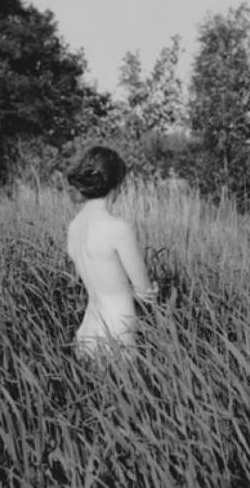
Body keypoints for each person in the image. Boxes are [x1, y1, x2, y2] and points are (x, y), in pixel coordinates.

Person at [66, 146, 156, 354]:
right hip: (116, 331)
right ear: (116, 183)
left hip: (86, 334)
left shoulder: (74, 227)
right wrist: (151, 292)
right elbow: (145, 292)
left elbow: (105, 281)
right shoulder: (118, 227)